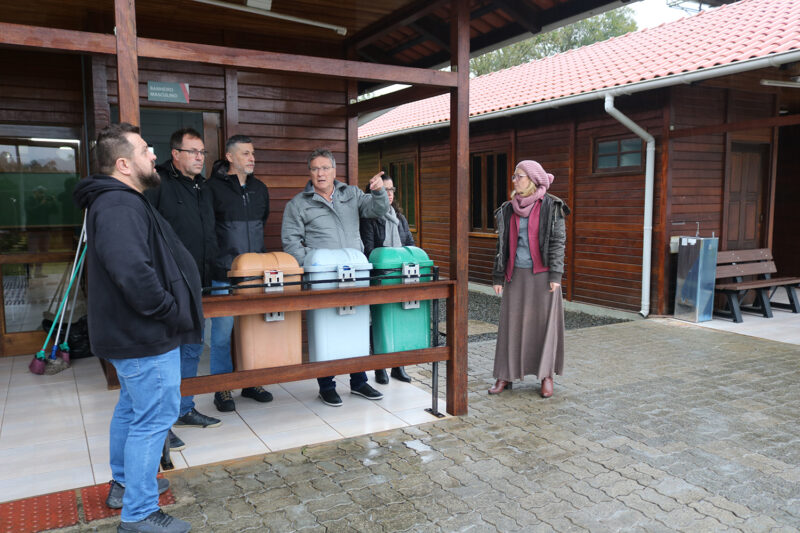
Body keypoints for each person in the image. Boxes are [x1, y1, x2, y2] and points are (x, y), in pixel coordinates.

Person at [74, 123, 196, 533]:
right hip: (144, 335)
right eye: (146, 150)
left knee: (132, 410)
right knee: (152, 418)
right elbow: (132, 273)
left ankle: (126, 486)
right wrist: (168, 310)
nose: (153, 156)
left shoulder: (120, 201)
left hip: (135, 335)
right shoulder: (118, 205)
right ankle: (140, 514)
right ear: (123, 164)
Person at [281, 148, 389, 407]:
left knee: (356, 324)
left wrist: (378, 191)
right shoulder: (298, 204)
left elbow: (377, 209)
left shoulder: (350, 194)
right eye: (315, 169)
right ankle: (326, 385)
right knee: (326, 327)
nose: (321, 173)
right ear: (310, 172)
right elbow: (290, 242)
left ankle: (359, 381)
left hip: (354, 273)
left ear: (334, 170)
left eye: (325, 168)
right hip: (324, 276)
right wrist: (314, 260)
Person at [145, 128, 220, 452]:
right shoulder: (157, 183)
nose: (200, 158)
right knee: (168, 354)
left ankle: (184, 408)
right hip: (169, 283)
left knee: (192, 347)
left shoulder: (203, 186)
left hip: (200, 280)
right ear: (175, 154)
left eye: (202, 152)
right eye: (193, 152)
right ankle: (163, 425)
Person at [489, 160, 569, 399]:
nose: (514, 180)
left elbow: (557, 242)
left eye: (519, 176)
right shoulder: (507, 209)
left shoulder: (551, 206)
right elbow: (500, 245)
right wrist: (498, 276)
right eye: (514, 176)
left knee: (544, 326)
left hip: (543, 277)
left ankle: (546, 375)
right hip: (515, 275)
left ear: (533, 180)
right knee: (510, 326)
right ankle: (505, 374)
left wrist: (555, 274)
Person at [206, 135, 273, 412]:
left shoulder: (260, 189)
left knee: (252, 331)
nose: (251, 158)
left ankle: (251, 381)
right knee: (221, 335)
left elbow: (262, 222)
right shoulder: (212, 189)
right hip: (224, 273)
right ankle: (222, 388)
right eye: (246, 153)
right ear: (230, 157)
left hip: (255, 274)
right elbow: (209, 230)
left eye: (253, 153)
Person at [359, 174, 415, 384]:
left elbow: (410, 244)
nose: (389, 194)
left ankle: (398, 366)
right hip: (380, 278)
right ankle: (379, 367)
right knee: (379, 322)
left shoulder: (400, 218)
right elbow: (369, 250)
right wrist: (389, 261)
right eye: (385, 190)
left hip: (401, 278)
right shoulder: (369, 219)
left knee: (397, 320)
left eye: (392, 190)